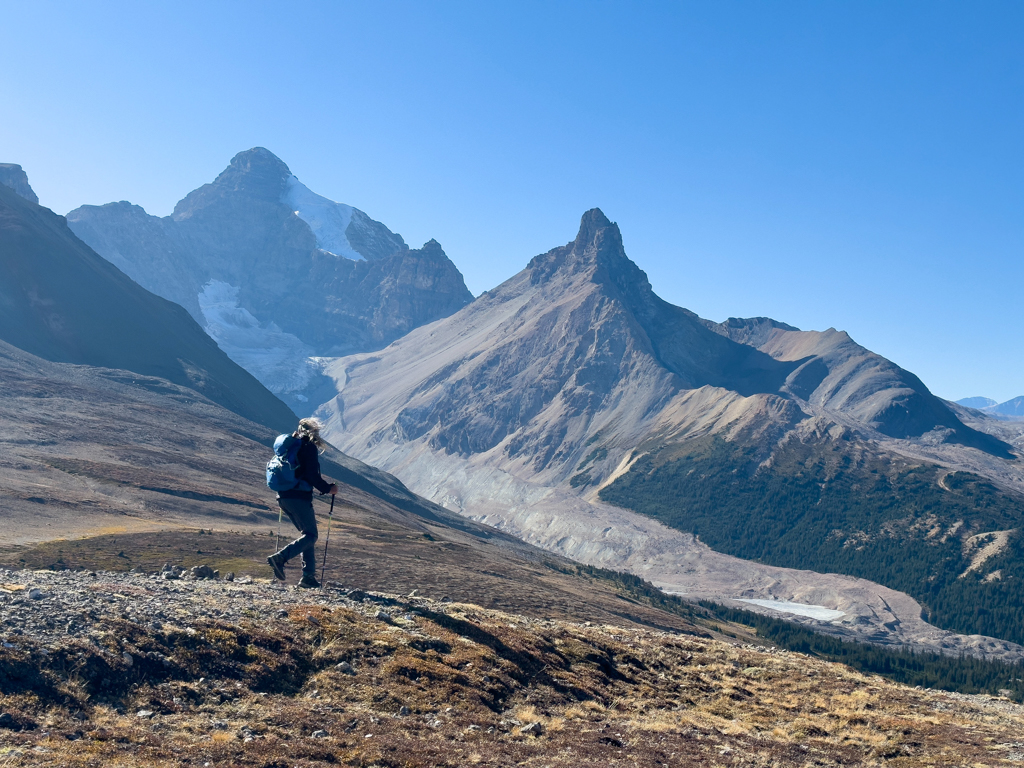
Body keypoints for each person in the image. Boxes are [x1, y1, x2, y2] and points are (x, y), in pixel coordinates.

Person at [267, 417, 338, 588]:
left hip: (283, 496)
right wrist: (329, 489)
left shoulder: (289, 447)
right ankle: (281, 558)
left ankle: (308, 577)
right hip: (299, 497)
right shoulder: (308, 448)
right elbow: (312, 476)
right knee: (311, 536)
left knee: (308, 535)